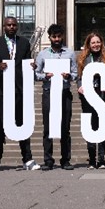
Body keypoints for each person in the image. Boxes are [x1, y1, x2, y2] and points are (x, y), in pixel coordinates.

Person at [0, 16, 41, 171]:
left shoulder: (24, 43)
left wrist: (32, 65)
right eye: (9, 25)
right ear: (4, 26)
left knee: (22, 123)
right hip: (2, 90)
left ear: (17, 27)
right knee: (1, 125)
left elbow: (27, 62)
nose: (11, 27)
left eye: (14, 25)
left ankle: (28, 159)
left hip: (19, 89)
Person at [34, 24, 77, 170]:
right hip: (49, 92)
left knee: (65, 127)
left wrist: (69, 75)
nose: (57, 39)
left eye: (59, 36)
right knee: (48, 127)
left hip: (64, 93)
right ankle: (48, 159)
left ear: (62, 36)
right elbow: (36, 73)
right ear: (50, 37)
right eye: (54, 36)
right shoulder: (43, 54)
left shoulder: (70, 53)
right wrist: (45, 76)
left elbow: (76, 73)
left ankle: (65, 159)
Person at [76, 32, 105, 169]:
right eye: (93, 42)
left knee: (103, 127)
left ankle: (102, 159)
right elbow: (78, 76)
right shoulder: (83, 59)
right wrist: (80, 86)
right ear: (88, 45)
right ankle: (92, 159)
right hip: (88, 96)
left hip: (103, 95)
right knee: (90, 127)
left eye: (98, 42)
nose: (96, 45)